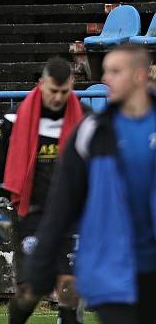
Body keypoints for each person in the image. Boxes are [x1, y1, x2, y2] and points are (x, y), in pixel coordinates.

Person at [25, 45, 156, 323]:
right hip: (112, 273)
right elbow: (61, 205)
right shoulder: (91, 133)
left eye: (116, 71)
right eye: (106, 70)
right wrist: (39, 267)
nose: (106, 78)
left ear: (140, 76)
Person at [0, 57, 85, 324]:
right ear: (41, 85)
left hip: (72, 214)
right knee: (31, 291)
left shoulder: (85, 119)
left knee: (69, 286)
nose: (58, 98)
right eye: (53, 91)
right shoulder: (14, 120)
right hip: (32, 213)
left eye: (64, 92)